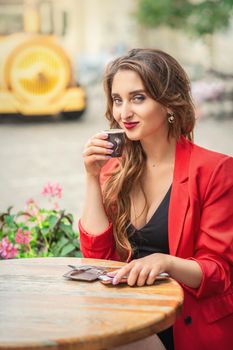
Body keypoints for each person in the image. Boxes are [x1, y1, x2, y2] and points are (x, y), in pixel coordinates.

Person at [79, 48, 233, 350]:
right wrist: (91, 177)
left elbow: (219, 272)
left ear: (168, 102)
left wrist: (166, 263)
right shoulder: (113, 169)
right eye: (117, 100)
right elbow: (97, 258)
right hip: (130, 316)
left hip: (186, 325)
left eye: (138, 98)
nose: (124, 113)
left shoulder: (216, 170)